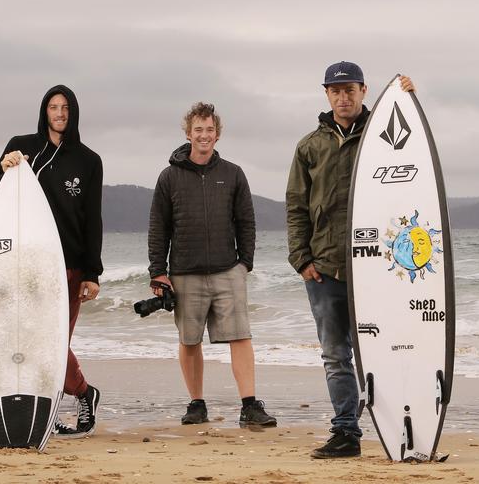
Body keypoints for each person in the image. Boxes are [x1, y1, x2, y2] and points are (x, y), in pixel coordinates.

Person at [285, 62, 415, 458]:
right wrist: (300, 258)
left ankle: (405, 427)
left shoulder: (385, 138)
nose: (343, 97)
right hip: (323, 270)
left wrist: (407, 100)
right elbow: (296, 206)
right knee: (335, 355)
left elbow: (416, 166)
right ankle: (346, 433)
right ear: (327, 94)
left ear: (364, 91)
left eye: (351, 89)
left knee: (388, 350)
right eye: (336, 90)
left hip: (376, 269)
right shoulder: (310, 145)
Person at [147, 102, 277, 427]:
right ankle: (196, 404)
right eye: (198, 130)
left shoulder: (233, 174)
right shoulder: (169, 177)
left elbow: (246, 220)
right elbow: (158, 227)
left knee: (241, 336)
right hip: (184, 272)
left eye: (209, 130)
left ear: (217, 134)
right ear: (188, 133)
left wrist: (244, 263)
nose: (204, 135)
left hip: (227, 270)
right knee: (189, 341)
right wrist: (158, 272)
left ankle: (250, 406)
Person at [0, 84, 103, 439]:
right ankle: (66, 401)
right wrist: (6, 169)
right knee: (30, 341)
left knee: (52, 344)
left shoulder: (88, 160)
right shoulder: (21, 148)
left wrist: (92, 272)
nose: (60, 113)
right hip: (24, 263)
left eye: (65, 107)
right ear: (44, 111)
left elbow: (92, 219)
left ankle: (82, 394)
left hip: (67, 266)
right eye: (54, 107)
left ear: (74, 112)